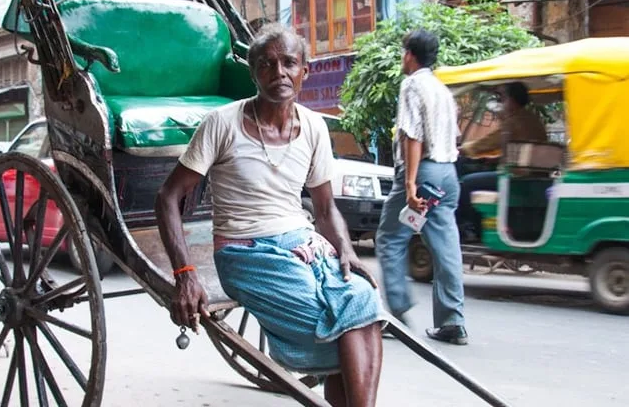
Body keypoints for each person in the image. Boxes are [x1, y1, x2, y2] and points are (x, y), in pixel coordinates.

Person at [155, 24, 384, 407]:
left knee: (364, 299)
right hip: (245, 251)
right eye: (267, 64)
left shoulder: (314, 126)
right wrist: (185, 274)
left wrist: (346, 248)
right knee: (336, 326)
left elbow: (325, 209)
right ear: (254, 73)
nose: (279, 72)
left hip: (305, 246)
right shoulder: (222, 123)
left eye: (289, 63)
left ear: (304, 71)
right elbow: (168, 197)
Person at [375, 29, 467, 345]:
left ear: (410, 55)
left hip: (423, 173)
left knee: (390, 238)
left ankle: (397, 315)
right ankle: (452, 321)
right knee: (446, 246)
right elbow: (455, 136)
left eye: (404, 53)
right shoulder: (442, 90)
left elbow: (412, 136)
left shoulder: (412, 85)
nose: (403, 58)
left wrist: (411, 184)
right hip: (448, 174)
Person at [457, 82, 548, 240]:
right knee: (478, 175)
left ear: (512, 100)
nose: (501, 103)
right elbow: (521, 151)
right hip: (530, 176)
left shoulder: (514, 120)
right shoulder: (533, 119)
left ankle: (469, 229)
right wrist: (493, 159)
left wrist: (462, 149)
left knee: (466, 183)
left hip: (515, 178)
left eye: (503, 98)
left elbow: (487, 143)